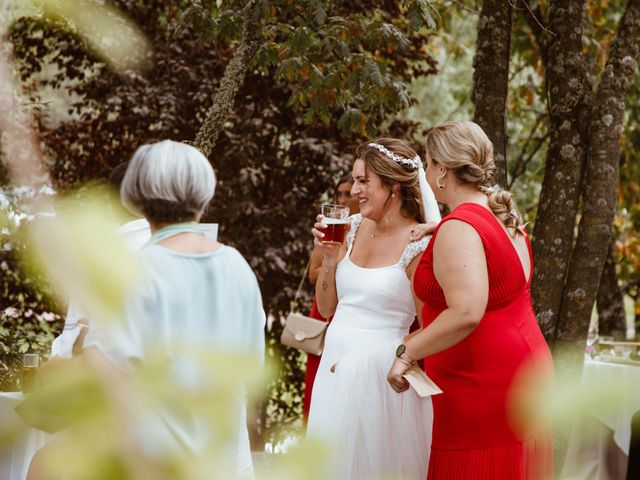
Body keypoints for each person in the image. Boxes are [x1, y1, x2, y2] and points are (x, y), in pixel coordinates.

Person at [80, 140, 265, 478]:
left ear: (138, 199)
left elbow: (102, 375)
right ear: (203, 197)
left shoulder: (133, 272)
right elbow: (250, 368)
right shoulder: (237, 266)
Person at [387, 121, 554, 479]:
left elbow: (465, 312)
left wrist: (408, 352)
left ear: (443, 171)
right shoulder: (501, 215)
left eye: (430, 163)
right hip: (522, 372)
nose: (427, 172)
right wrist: (442, 229)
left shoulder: (460, 228)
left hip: (483, 386)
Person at [306, 138, 441, 479]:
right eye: (355, 181)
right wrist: (331, 261)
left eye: (364, 181)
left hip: (380, 379)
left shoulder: (419, 243)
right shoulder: (350, 229)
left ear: (393, 186)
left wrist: (394, 359)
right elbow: (326, 309)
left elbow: (431, 325)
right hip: (334, 371)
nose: (354, 191)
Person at [302, 173, 359, 421]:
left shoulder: (361, 230)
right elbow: (313, 274)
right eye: (340, 194)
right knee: (320, 374)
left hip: (355, 310)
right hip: (327, 307)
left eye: (349, 193)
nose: (345, 198)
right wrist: (334, 264)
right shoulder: (331, 230)